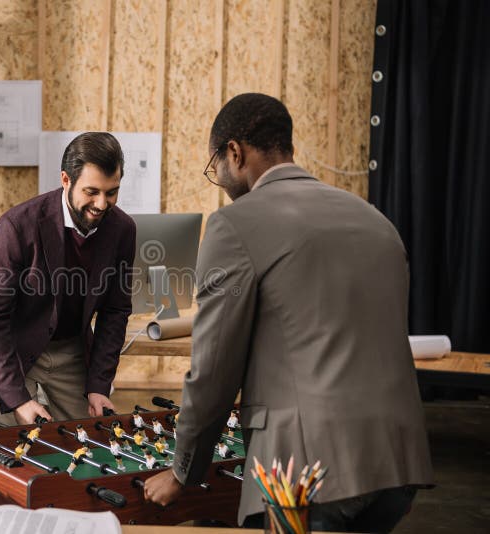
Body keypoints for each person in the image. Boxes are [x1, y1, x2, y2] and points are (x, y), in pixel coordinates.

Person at [144, 93, 433, 532]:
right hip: (399, 465)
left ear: (234, 153)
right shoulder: (376, 221)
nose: (218, 179)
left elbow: (214, 369)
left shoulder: (234, 225)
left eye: (215, 166)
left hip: (310, 474)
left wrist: (183, 470)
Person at [0, 132, 136, 424]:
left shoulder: (122, 229)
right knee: (20, 445)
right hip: (14, 350)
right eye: (91, 192)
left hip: (72, 350)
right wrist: (18, 399)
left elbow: (115, 311)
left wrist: (99, 384)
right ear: (66, 180)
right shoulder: (17, 226)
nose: (101, 204)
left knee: (88, 440)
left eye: (111, 192)